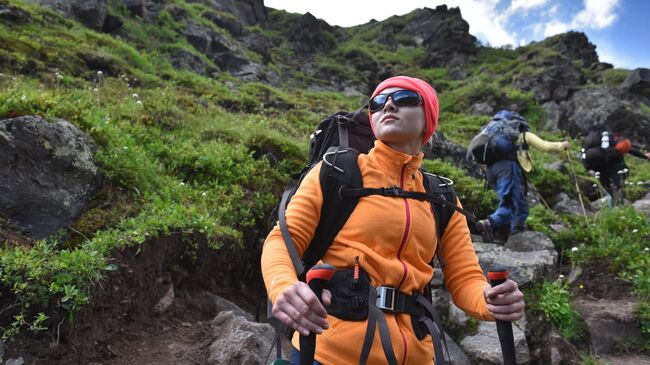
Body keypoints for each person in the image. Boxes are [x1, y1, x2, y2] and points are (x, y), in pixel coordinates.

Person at [261, 76, 525, 365]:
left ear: (428, 119)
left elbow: (464, 279)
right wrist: (283, 285)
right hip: (329, 353)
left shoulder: (441, 196)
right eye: (377, 102)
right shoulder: (336, 171)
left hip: (418, 356)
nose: (387, 104)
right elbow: (282, 240)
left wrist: (490, 300)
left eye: (404, 98)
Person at [476, 111, 570, 241]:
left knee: (520, 204)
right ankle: (490, 223)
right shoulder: (522, 134)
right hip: (507, 170)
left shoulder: (493, 134)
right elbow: (545, 146)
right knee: (509, 204)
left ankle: (513, 233)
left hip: (491, 171)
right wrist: (562, 145)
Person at [583, 129, 650, 206]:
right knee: (617, 188)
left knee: (609, 189)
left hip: (601, 170)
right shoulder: (614, 146)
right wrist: (644, 156)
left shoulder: (593, 145)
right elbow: (628, 149)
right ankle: (618, 207)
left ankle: (612, 207)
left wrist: (587, 168)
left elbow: (585, 157)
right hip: (615, 168)